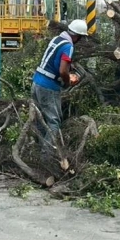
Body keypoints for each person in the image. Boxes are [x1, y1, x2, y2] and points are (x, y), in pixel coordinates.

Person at [31, 19, 88, 149]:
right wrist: (68, 82)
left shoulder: (57, 39)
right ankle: (47, 157)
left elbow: (54, 62)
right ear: (77, 36)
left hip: (37, 82)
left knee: (40, 120)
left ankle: (37, 151)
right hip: (48, 87)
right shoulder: (69, 46)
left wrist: (69, 68)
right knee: (53, 122)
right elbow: (62, 71)